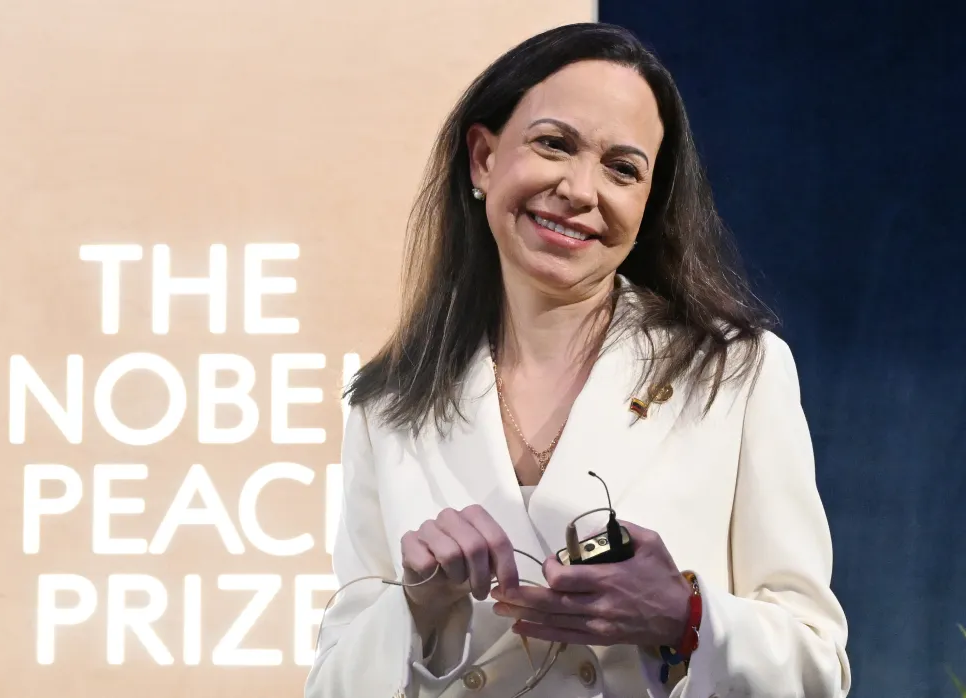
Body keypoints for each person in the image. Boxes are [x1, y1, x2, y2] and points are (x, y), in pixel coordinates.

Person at [304, 22, 851, 698]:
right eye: (553, 144)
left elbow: (817, 666)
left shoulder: (736, 372)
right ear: (482, 158)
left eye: (623, 169)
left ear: (648, 203)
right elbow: (332, 682)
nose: (580, 190)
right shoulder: (386, 402)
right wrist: (414, 606)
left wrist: (686, 617)